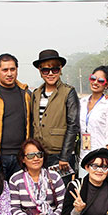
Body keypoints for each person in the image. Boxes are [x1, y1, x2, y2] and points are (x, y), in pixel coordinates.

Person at [31, 49, 79, 180]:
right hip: (39, 155)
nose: (50, 74)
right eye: (46, 70)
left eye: (55, 69)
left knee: (60, 190)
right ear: (40, 71)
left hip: (60, 155)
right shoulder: (36, 94)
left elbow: (73, 125)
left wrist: (65, 156)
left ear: (61, 69)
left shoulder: (68, 92)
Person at [78, 65, 108, 177]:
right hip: (83, 157)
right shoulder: (82, 102)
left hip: (100, 158)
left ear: (106, 85)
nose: (95, 82)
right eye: (93, 78)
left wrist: (107, 158)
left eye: (100, 81)